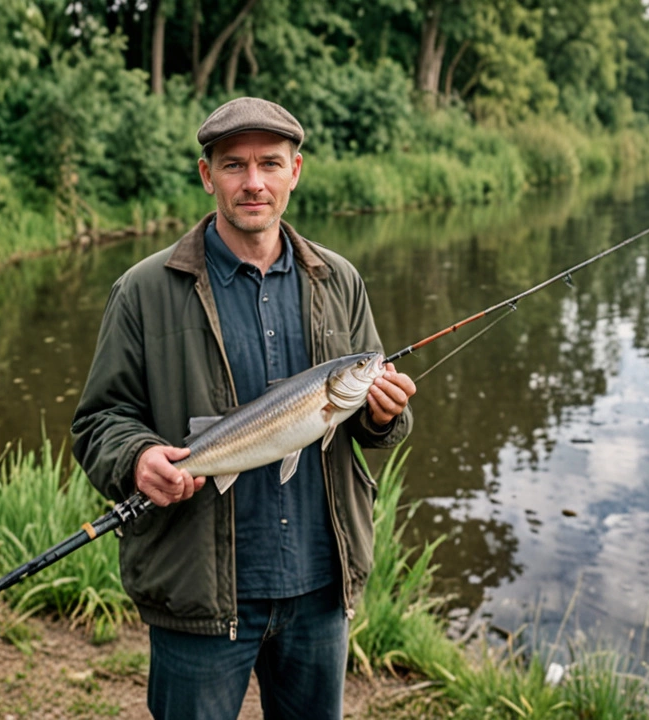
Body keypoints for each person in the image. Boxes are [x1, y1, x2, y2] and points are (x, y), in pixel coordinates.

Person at [71, 97, 416, 720]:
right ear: (208, 176)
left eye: (269, 164)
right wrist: (139, 457)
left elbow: (370, 423)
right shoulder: (143, 291)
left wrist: (385, 413)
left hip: (319, 582)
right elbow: (99, 421)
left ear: (296, 171)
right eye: (234, 165)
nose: (253, 183)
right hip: (198, 590)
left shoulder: (340, 280)